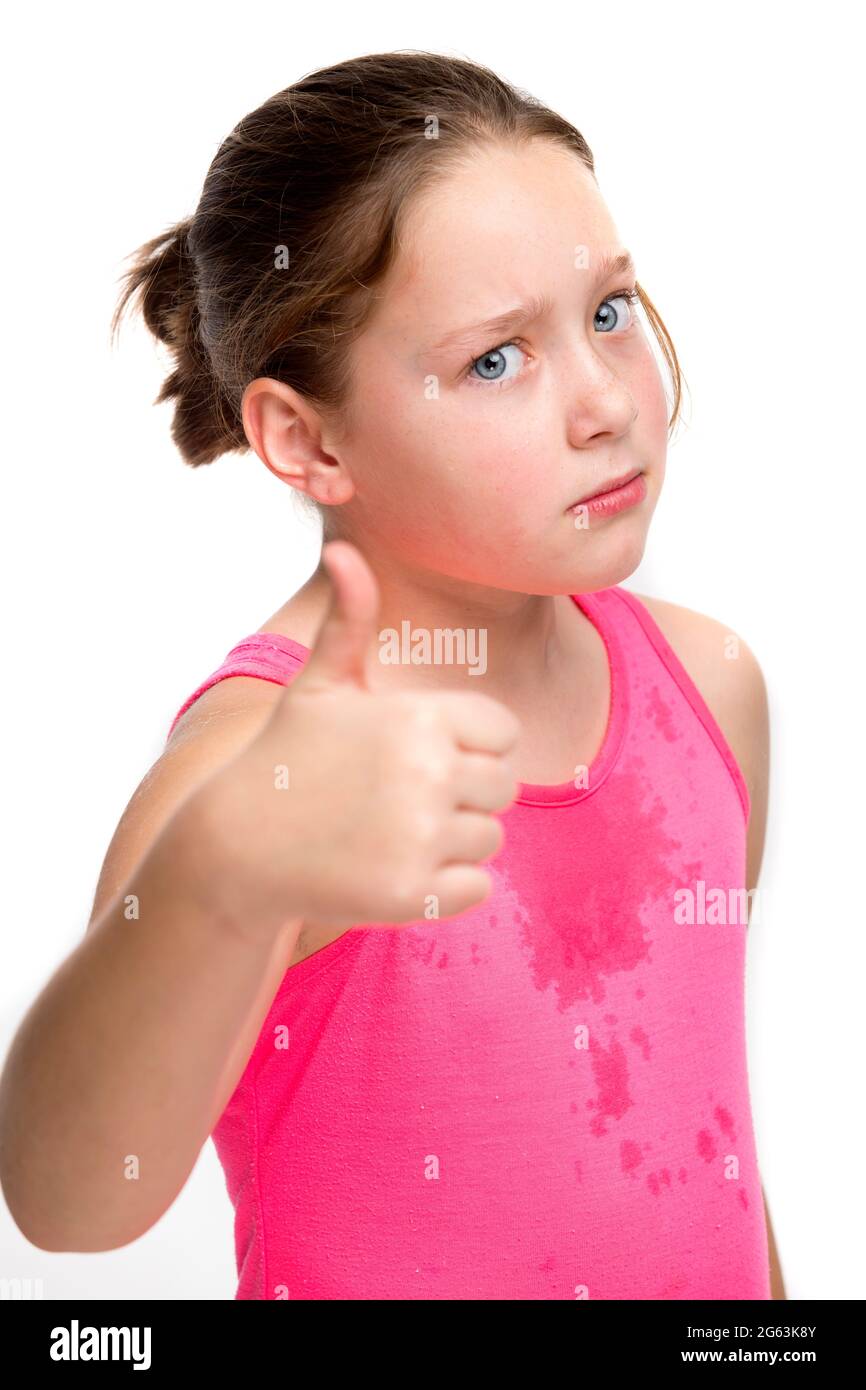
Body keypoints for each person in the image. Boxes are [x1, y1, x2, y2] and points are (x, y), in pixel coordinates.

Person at [0, 49, 784, 1300]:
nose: (602, 403)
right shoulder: (254, 774)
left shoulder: (707, 687)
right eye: (494, 360)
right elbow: (66, 1199)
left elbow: (715, 1165)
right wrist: (221, 871)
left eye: (605, 311)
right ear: (304, 439)